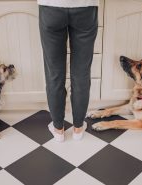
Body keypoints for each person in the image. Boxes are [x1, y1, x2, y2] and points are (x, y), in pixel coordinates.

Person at [38, 0, 99, 141]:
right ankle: (78, 129)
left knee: (54, 74)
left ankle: (58, 129)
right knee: (81, 73)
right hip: (86, 8)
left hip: (51, 7)